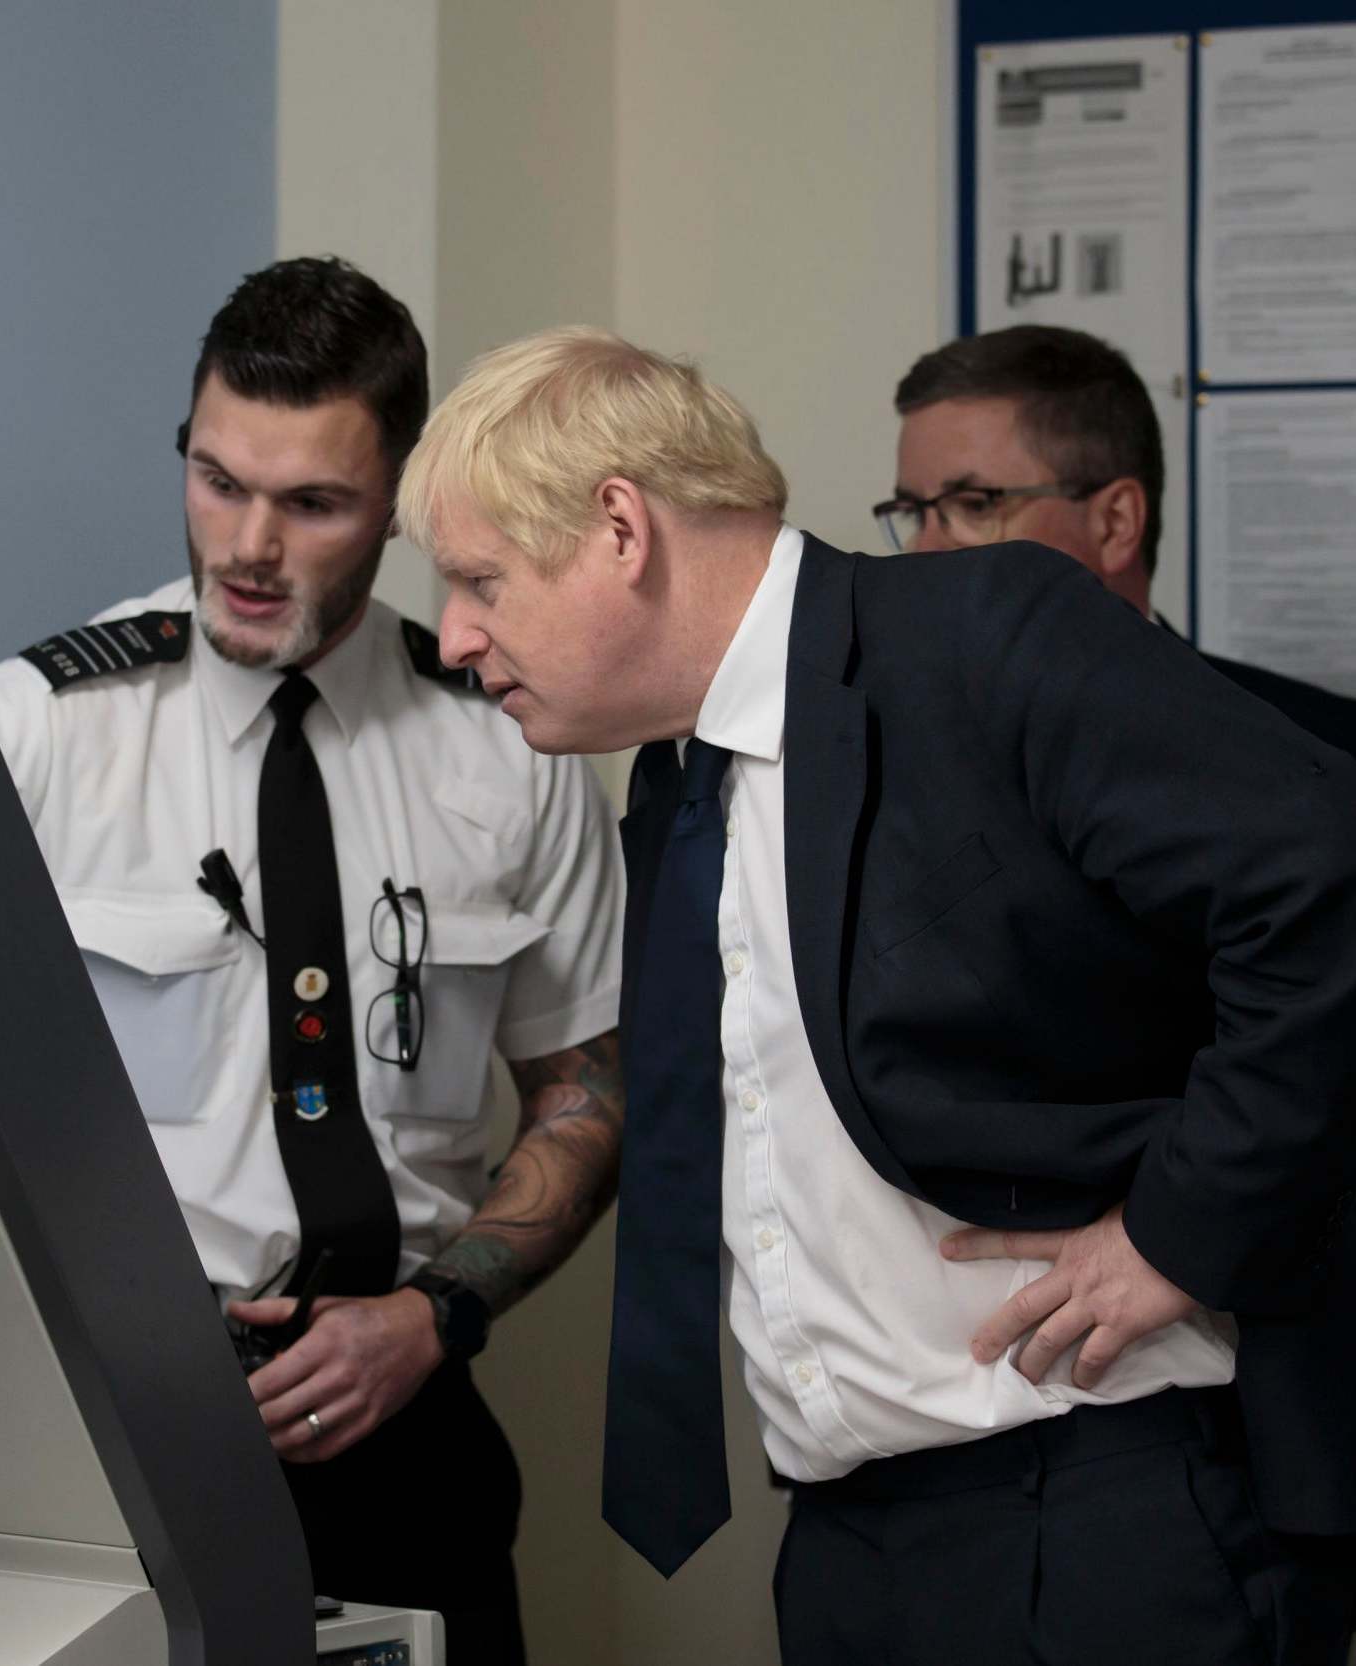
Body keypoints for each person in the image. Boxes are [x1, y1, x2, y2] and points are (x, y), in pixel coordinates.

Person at [396, 325, 1356, 1665]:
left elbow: (1324, 883)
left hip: (1095, 1512)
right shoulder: (679, 785)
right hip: (852, 1544)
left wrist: (1184, 1230)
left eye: (479, 579)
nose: (454, 635)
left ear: (620, 529)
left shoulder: (984, 632)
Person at [0, 257, 626, 1661]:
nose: (249, 545)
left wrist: (437, 1312)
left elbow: (591, 1085)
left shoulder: (505, 743)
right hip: (110, 1435)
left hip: (409, 1426)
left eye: (313, 503)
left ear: (395, 506)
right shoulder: (30, 730)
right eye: (218, 481)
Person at [883, 322, 1356, 751]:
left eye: (975, 505)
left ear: (1115, 524)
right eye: (911, 513)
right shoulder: (875, 751)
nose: (921, 550)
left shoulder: (1319, 751)